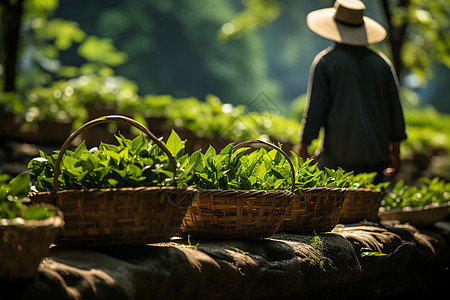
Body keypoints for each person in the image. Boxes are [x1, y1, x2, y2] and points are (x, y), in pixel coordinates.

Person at [299, 0, 407, 183]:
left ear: (335, 27)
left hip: (337, 160)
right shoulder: (382, 64)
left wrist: (304, 145)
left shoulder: (326, 62)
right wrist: (395, 152)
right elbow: (395, 111)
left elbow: (316, 109)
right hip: (377, 160)